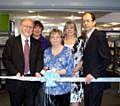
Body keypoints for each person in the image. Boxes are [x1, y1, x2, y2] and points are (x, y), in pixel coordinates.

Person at [2, 18, 43, 106]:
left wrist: (37, 71)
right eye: (26, 26)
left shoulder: (37, 43)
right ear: (21, 27)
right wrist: (15, 72)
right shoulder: (11, 42)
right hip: (16, 81)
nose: (28, 29)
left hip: (31, 82)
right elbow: (6, 59)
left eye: (30, 27)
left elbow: (39, 59)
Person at [82, 12, 112, 106]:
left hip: (95, 80)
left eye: (88, 21)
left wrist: (94, 74)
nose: (85, 23)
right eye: (83, 21)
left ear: (94, 22)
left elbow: (107, 58)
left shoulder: (99, 36)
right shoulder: (87, 37)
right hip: (88, 79)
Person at [43, 28, 74, 106]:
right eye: (52, 37)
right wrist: (45, 70)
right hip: (49, 89)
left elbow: (70, 69)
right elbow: (43, 67)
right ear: (49, 39)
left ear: (61, 38)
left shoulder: (68, 51)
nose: (55, 39)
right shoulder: (46, 52)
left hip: (63, 88)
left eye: (57, 37)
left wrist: (55, 72)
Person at [63, 21, 84, 106]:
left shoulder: (80, 42)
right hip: (62, 75)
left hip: (76, 75)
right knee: (62, 101)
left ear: (75, 30)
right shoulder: (60, 42)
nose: (69, 30)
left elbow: (83, 58)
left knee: (75, 102)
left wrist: (76, 69)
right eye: (67, 28)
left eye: (71, 28)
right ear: (64, 30)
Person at [32, 20, 51, 106]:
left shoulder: (46, 42)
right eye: (35, 27)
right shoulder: (28, 41)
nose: (37, 29)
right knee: (30, 98)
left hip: (43, 73)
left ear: (42, 29)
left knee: (42, 97)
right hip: (30, 73)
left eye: (39, 28)